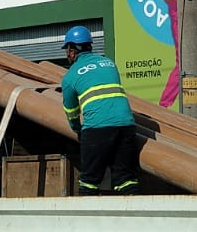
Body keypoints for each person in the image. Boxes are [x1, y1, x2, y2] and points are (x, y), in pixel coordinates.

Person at [60, 26, 141, 195]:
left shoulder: (70, 76)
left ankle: (86, 219)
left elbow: (71, 111)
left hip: (97, 130)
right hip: (127, 126)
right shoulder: (109, 63)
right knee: (125, 180)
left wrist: (77, 130)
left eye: (67, 50)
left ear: (72, 51)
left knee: (89, 183)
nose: (67, 54)